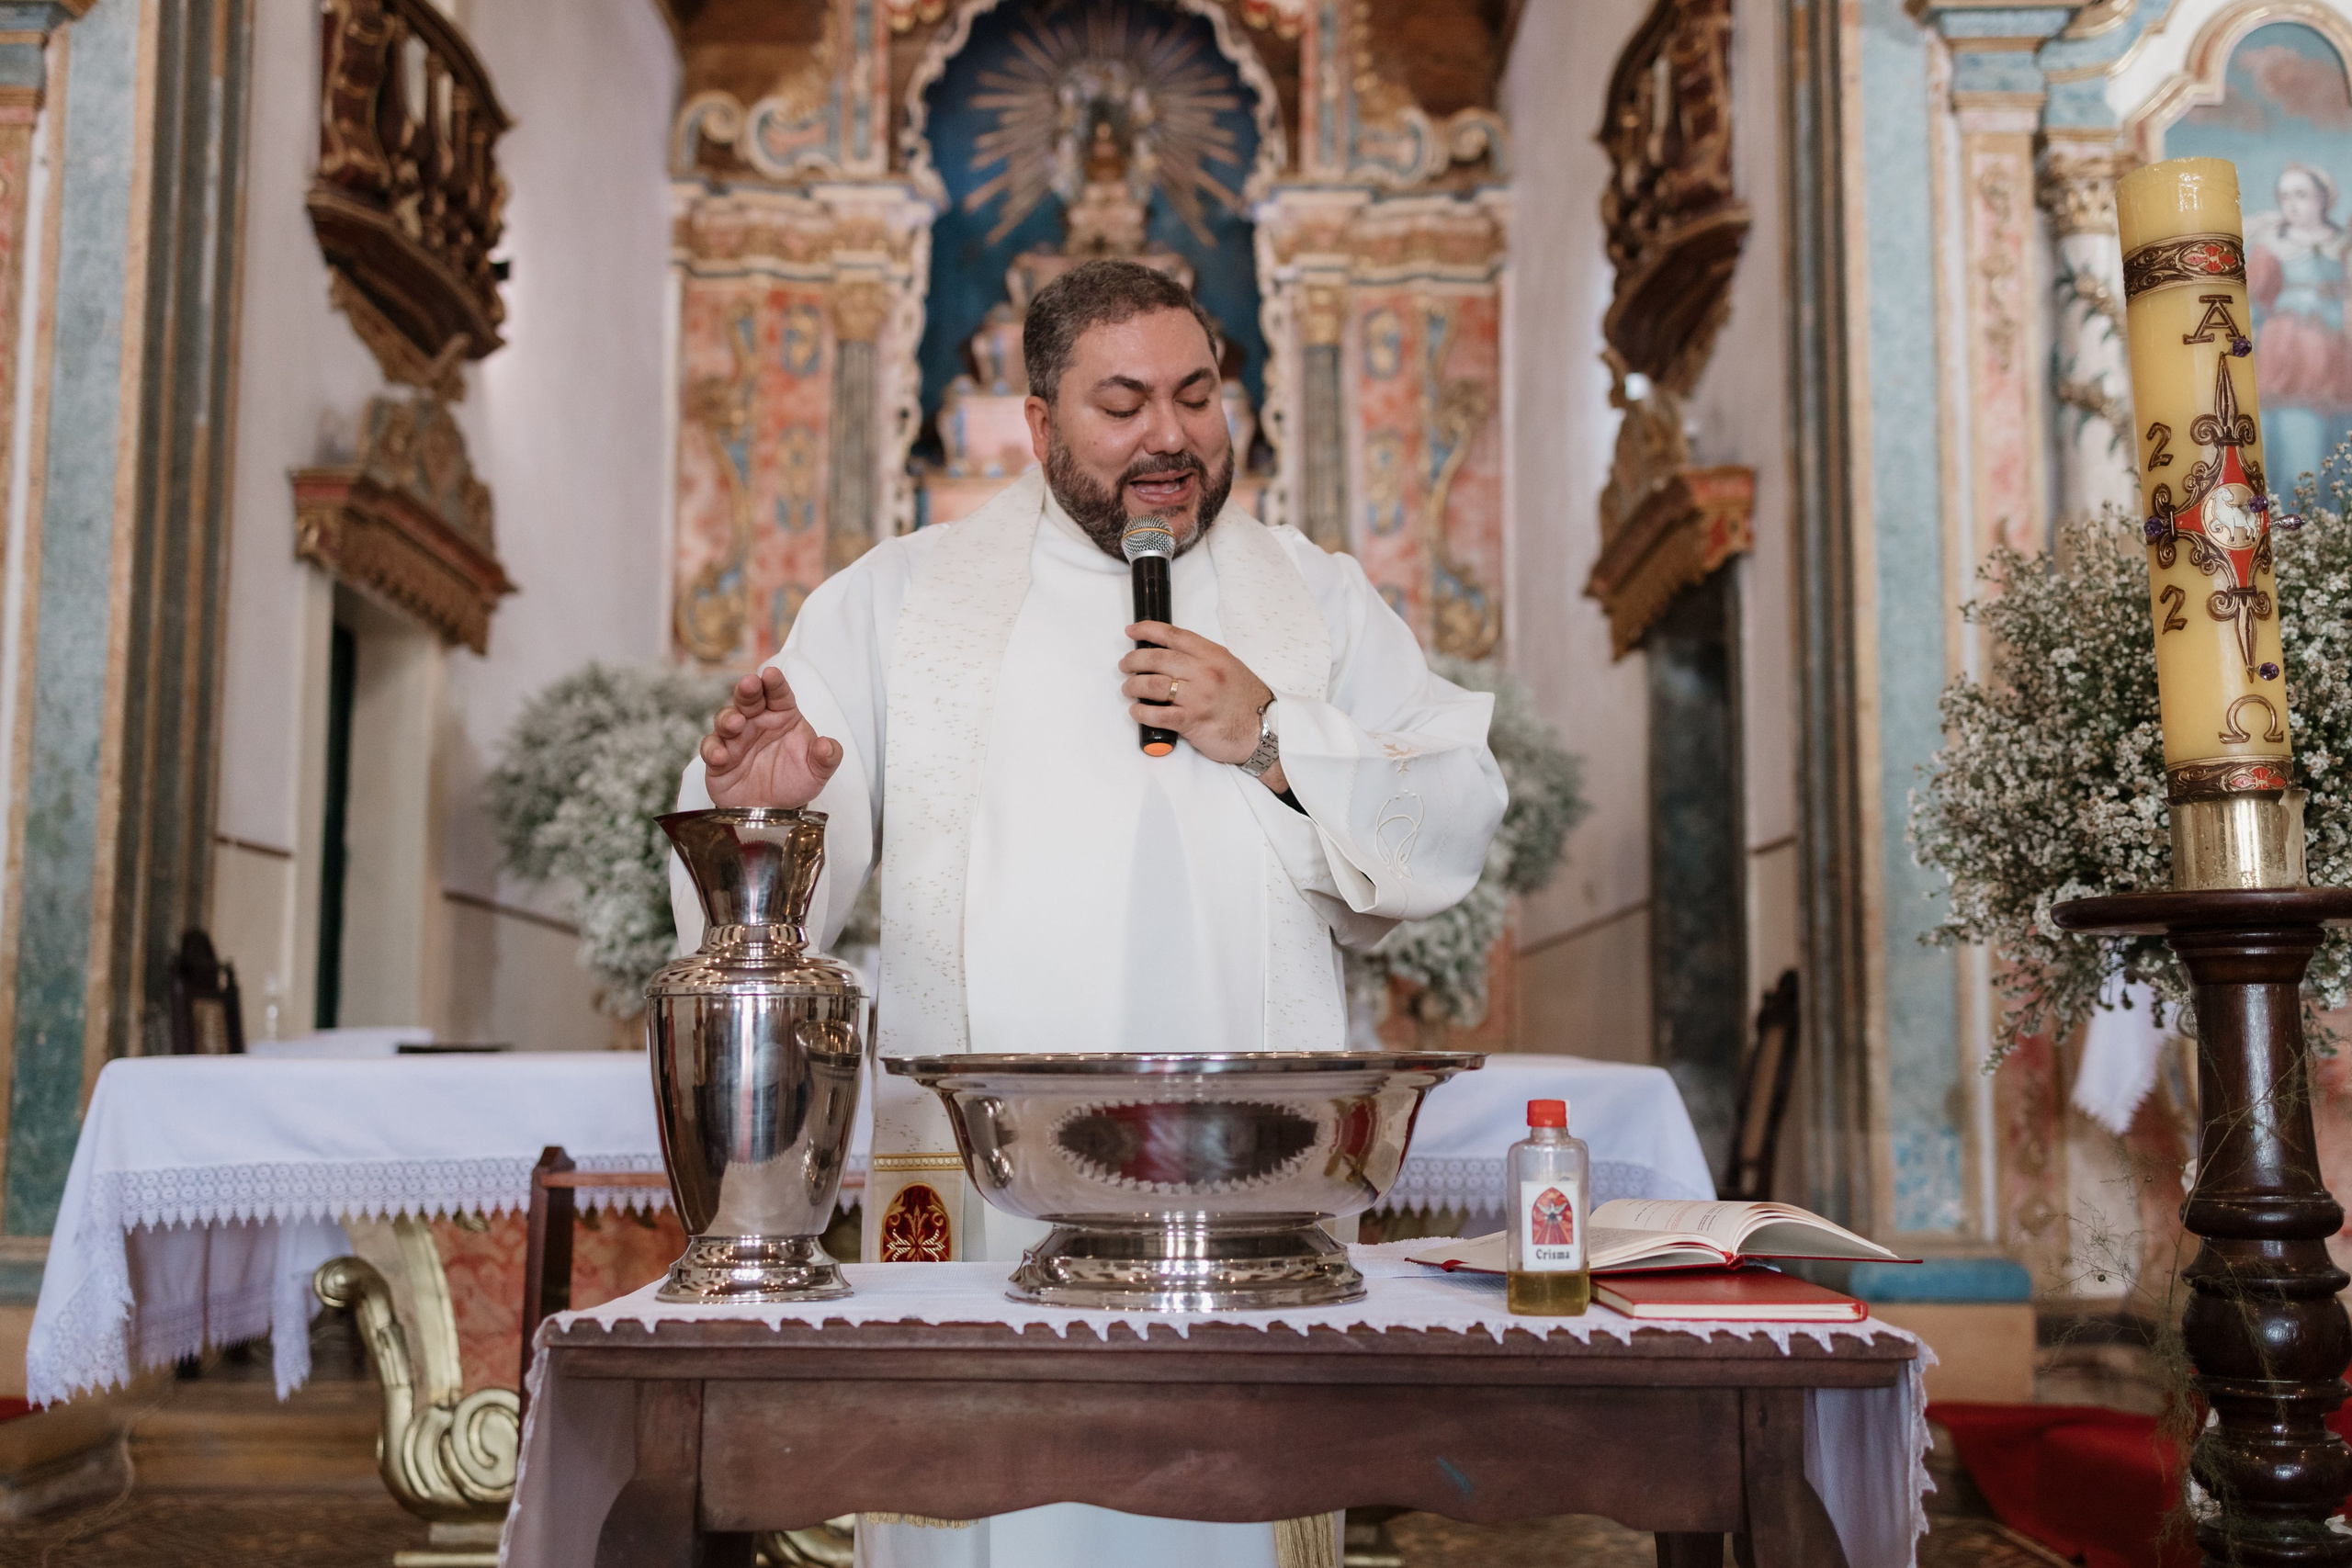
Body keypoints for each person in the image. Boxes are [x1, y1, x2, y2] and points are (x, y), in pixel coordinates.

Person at [677, 259, 1506, 1568]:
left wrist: (1276, 735)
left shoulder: (1314, 596)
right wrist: (763, 820)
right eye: (1122, 403)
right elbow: (756, 909)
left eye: (1194, 394)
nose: (1168, 435)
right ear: (1039, 422)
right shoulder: (900, 602)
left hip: (1249, 1202)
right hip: (991, 1202)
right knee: (989, 1510)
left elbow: (1456, 808)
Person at [2245, 162, 2352, 486]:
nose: (2292, 204)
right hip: (2288, 360)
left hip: (2338, 360)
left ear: (2323, 197)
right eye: (2285, 196)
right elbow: (2251, 302)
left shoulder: (2344, 244)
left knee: (2338, 456)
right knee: (2296, 453)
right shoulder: (2271, 248)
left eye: (2301, 194)